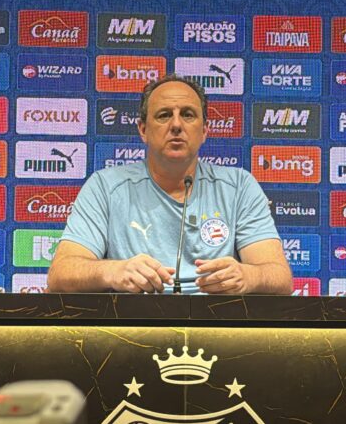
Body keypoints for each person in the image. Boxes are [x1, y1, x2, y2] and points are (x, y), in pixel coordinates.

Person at [47, 74, 292, 294]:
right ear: (143, 130)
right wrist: (113, 271)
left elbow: (280, 278)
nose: (176, 125)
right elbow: (61, 274)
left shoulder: (238, 186)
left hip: (218, 322)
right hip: (134, 322)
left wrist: (247, 276)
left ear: (205, 130)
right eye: (164, 115)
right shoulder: (105, 187)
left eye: (188, 114)